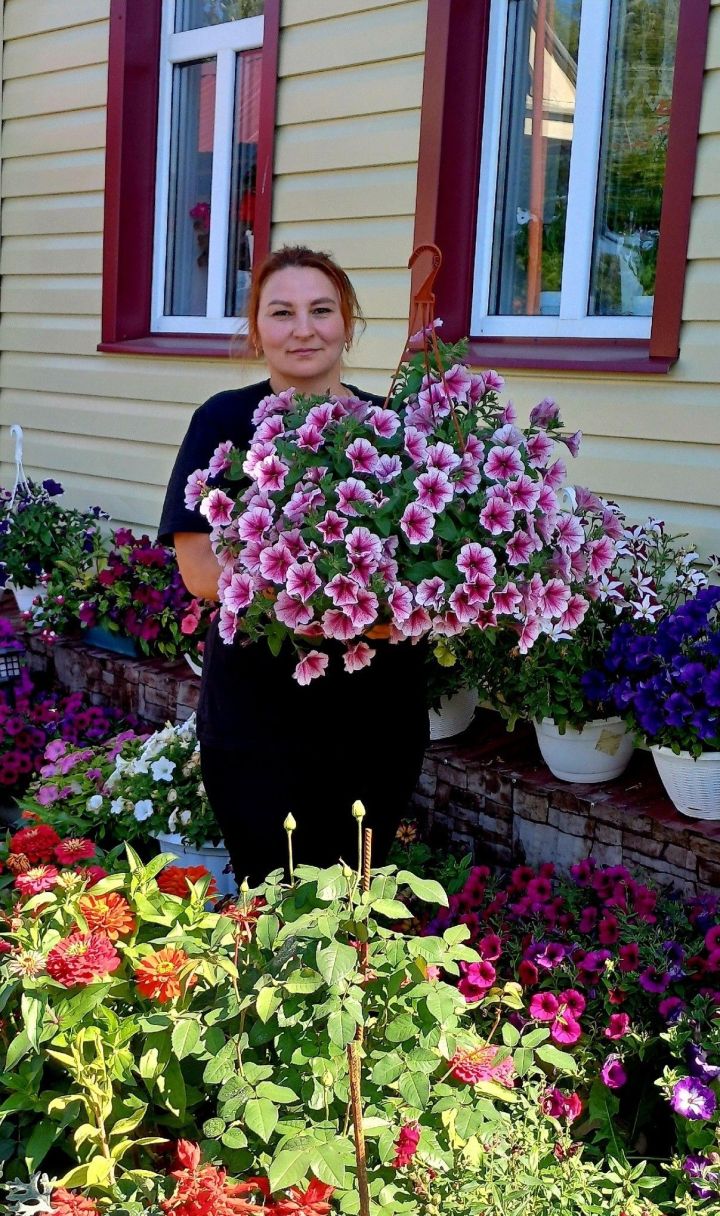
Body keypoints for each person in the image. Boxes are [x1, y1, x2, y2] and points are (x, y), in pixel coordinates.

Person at [158, 245, 428, 883]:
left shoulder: (386, 425)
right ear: (257, 328)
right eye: (282, 312)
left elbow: (428, 558)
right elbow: (197, 567)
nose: (303, 329)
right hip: (261, 710)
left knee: (358, 888)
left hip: (377, 708)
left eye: (321, 310)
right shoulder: (224, 420)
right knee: (271, 886)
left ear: (348, 324)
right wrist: (318, 600)